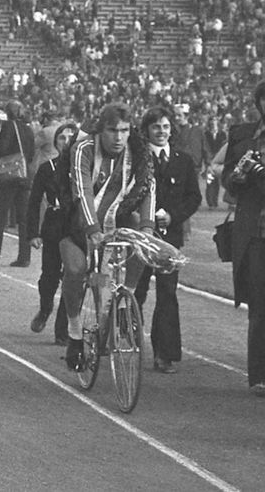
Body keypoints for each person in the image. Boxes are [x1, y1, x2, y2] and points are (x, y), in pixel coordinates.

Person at [60, 103, 156, 372]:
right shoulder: (84, 149)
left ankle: (125, 306)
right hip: (77, 223)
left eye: (124, 131)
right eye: (112, 130)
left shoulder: (139, 151)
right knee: (76, 269)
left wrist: (148, 227)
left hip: (118, 220)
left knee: (140, 243)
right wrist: (92, 230)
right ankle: (75, 332)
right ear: (100, 130)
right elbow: (82, 190)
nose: (118, 137)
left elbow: (148, 186)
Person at [134, 106, 200, 374]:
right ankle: (124, 342)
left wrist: (173, 216)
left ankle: (165, 353)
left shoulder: (183, 161)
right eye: (155, 127)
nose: (160, 132)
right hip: (141, 236)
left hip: (169, 238)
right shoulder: (136, 159)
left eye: (165, 127)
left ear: (171, 130)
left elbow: (194, 197)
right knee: (136, 291)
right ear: (146, 130)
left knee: (168, 293)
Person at [222, 80, 265, 396]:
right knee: (260, 305)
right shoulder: (242, 135)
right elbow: (228, 185)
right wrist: (237, 176)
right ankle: (260, 374)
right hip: (255, 233)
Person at [26, 123, 78, 343]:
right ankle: (45, 307)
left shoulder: (81, 168)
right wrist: (33, 233)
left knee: (72, 275)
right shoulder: (47, 169)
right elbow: (34, 200)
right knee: (49, 275)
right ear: (55, 143)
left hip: (74, 225)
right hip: (53, 224)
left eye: (70, 138)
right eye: (62, 139)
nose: (66, 142)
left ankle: (62, 329)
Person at [0, 101, 35, 267]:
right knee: (23, 219)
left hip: (9, 177)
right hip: (24, 176)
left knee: (0, 216)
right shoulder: (28, 128)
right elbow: (31, 152)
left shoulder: (8, 126)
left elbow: (4, 147)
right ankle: (24, 257)